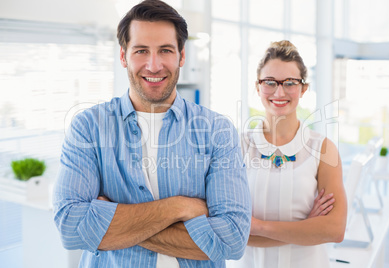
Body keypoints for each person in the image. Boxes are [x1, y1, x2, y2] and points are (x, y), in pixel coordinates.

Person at [52, 0, 251, 267]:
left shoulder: (217, 130)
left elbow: (232, 240)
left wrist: (111, 221)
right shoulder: (88, 127)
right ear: (123, 56)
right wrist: (179, 208)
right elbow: (71, 228)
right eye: (141, 50)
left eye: (165, 50)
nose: (154, 65)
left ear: (182, 56)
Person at [227, 40, 347, 268]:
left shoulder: (323, 149)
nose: (279, 92)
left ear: (303, 88)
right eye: (269, 82)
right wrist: (305, 229)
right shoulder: (237, 146)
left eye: (290, 83)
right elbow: (227, 232)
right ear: (258, 86)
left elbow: (334, 230)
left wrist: (258, 226)